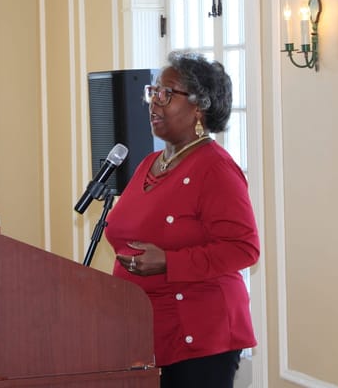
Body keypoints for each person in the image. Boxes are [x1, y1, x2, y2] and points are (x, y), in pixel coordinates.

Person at [104, 50, 260, 388]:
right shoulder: (150, 163)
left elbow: (244, 248)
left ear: (199, 107)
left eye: (166, 94)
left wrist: (169, 262)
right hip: (146, 330)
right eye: (153, 92)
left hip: (198, 337)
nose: (153, 103)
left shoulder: (215, 168)